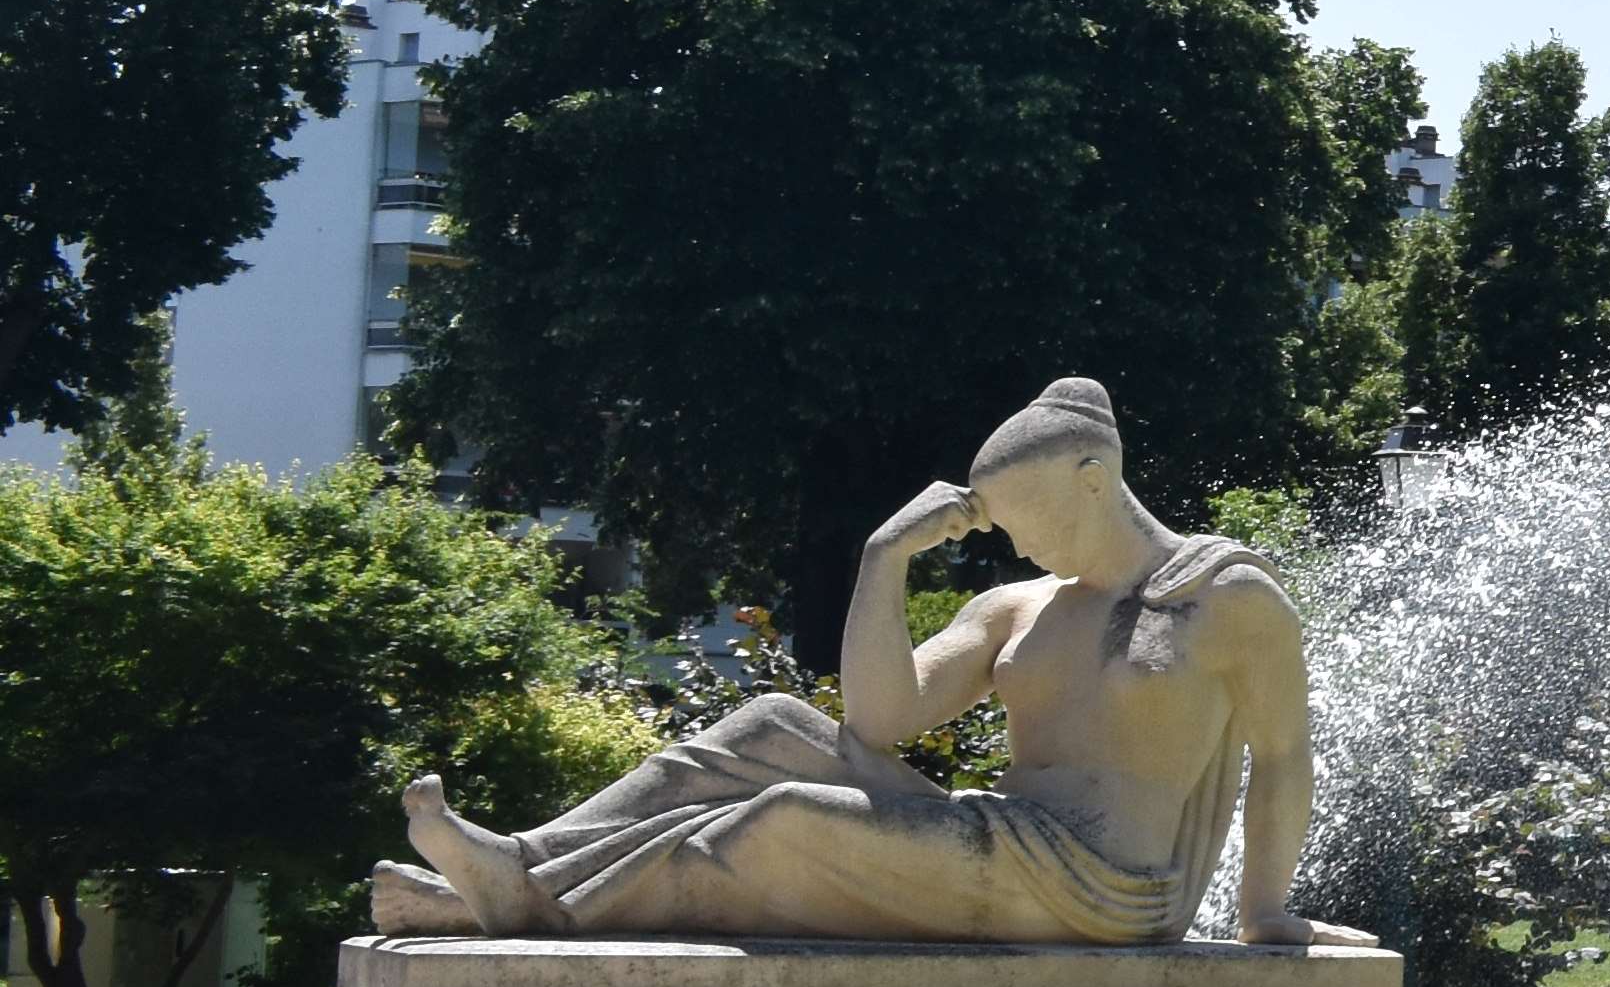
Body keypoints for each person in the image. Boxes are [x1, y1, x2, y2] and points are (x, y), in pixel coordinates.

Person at [382, 377, 1353, 948]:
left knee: (785, 819)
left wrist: (1265, 911)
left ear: (1092, 480)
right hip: (1001, 838)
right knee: (771, 726)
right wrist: (884, 557)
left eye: (1024, 518)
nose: (1016, 544)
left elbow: (1284, 757)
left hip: (1105, 886)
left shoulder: (1224, 596)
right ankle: (519, 869)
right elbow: (880, 723)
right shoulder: (1019, 608)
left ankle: (535, 908)